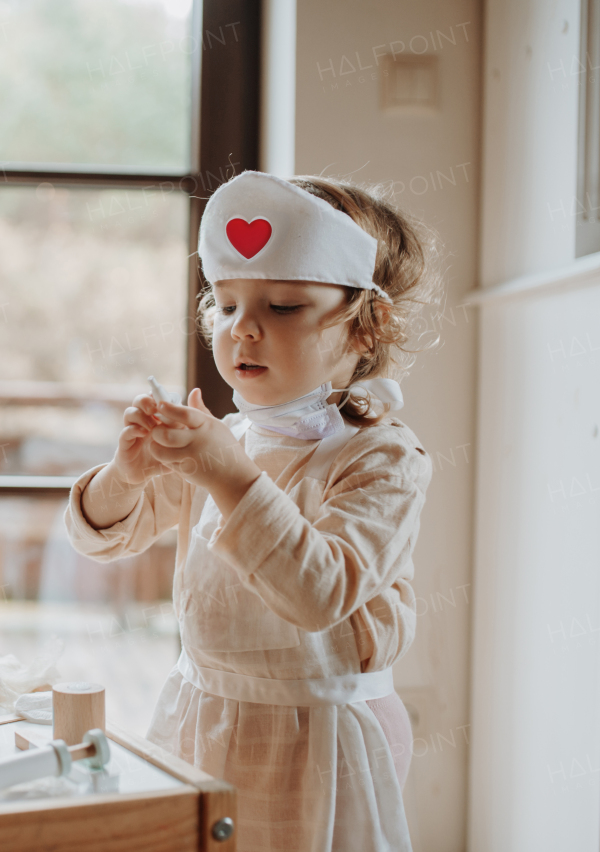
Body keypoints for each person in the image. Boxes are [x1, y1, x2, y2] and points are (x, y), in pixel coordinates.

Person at [63, 170, 440, 851]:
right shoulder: (226, 441)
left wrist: (228, 476)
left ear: (366, 327)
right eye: (228, 305)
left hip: (322, 734)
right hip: (202, 713)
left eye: (286, 307)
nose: (246, 330)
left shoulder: (381, 458)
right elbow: (102, 538)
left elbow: (321, 591)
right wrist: (126, 474)